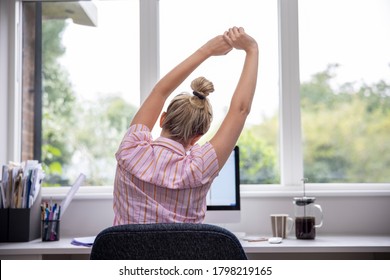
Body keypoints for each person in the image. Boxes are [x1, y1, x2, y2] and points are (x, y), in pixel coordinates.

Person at [113, 27, 258, 225]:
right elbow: (240, 111)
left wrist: (206, 51)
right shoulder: (199, 167)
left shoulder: (131, 149)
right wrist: (252, 49)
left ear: (162, 118)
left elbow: (160, 92)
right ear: (198, 136)